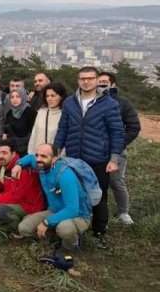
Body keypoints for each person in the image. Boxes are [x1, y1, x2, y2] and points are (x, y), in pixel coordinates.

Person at [54, 66, 124, 249]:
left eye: (90, 78)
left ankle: (99, 232)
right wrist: (56, 152)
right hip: (75, 158)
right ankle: (77, 231)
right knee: (74, 195)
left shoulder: (109, 104)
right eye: (82, 78)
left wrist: (114, 159)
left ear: (97, 80)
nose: (86, 81)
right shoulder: (70, 102)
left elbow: (117, 132)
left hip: (98, 158)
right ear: (78, 80)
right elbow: (63, 128)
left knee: (98, 197)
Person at [14, 144, 92, 258]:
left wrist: (47, 222)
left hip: (78, 215)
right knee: (24, 228)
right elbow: (30, 158)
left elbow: (72, 210)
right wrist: (19, 165)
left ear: (55, 158)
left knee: (64, 229)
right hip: (55, 210)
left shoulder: (65, 175)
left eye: (43, 156)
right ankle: (54, 236)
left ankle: (69, 246)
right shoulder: (42, 165)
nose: (38, 159)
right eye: (38, 155)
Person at [98, 72, 141, 225]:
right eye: (99, 82)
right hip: (95, 150)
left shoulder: (122, 103)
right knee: (96, 182)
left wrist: (120, 144)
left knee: (117, 182)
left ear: (113, 85)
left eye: (105, 82)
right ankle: (97, 213)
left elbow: (134, 126)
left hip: (116, 151)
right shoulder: (92, 101)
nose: (101, 85)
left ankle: (123, 212)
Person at [0, 140, 46, 230]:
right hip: (14, 200)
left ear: (13, 154)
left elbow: (14, 197)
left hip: (29, 205)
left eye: (4, 153)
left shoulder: (22, 170)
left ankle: (18, 228)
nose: (0, 156)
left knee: (0, 208)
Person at [27, 83, 67, 154]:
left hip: (56, 159)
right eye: (47, 96)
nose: (49, 99)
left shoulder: (65, 114)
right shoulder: (41, 112)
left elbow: (65, 139)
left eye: (53, 96)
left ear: (61, 97)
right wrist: (31, 154)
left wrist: (60, 157)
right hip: (38, 157)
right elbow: (34, 135)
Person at [4, 89, 36, 156]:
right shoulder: (9, 113)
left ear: (23, 97)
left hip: (27, 148)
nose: (14, 99)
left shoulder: (30, 112)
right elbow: (6, 130)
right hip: (13, 149)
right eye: (12, 97)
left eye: (18, 97)